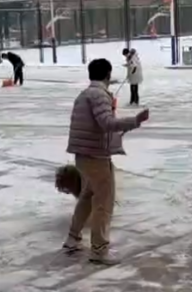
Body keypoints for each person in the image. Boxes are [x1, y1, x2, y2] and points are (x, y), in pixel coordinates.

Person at [64, 58, 150, 265]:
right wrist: (135, 121)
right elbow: (106, 123)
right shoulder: (99, 95)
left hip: (83, 155)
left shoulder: (85, 94)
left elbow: (97, 125)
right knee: (104, 202)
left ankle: (73, 238)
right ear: (108, 74)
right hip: (96, 156)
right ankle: (99, 250)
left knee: (88, 196)